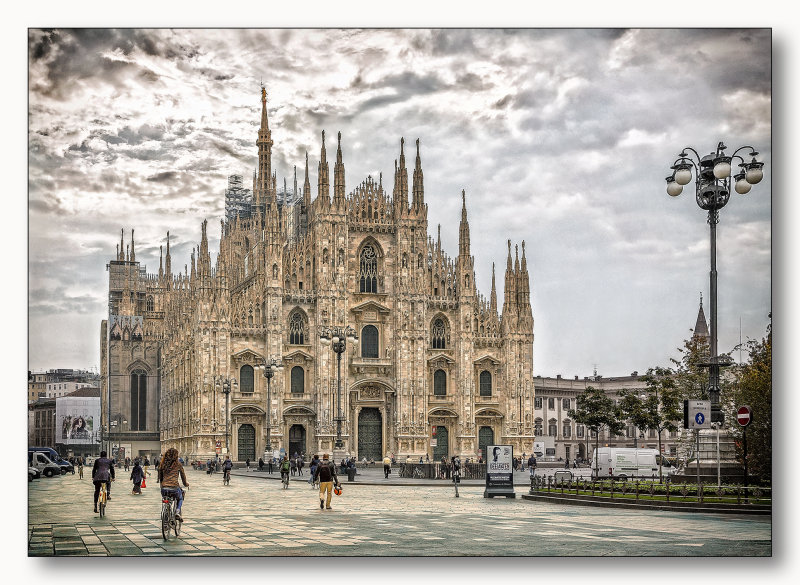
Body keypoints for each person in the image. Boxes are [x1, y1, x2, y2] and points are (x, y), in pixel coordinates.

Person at [158, 447, 189, 522]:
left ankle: (167, 513)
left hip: (164, 489)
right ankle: (177, 512)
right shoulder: (178, 464)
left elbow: (160, 477)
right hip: (174, 487)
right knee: (180, 498)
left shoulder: (162, 464)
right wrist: (186, 484)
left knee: (167, 499)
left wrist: (162, 485)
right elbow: (183, 476)